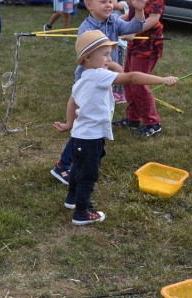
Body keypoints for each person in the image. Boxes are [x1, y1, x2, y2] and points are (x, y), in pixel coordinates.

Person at [53, 30, 177, 225]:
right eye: (104, 55)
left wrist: (69, 124)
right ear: (87, 57)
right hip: (90, 138)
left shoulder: (84, 78)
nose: (108, 59)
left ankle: (72, 199)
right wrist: (162, 80)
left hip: (79, 136)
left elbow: (72, 102)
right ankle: (82, 213)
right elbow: (131, 77)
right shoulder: (98, 75)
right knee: (88, 174)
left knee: (78, 168)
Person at [50, 0, 148, 184]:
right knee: (85, 126)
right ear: (89, 5)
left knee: (93, 123)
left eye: (111, 1)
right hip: (89, 80)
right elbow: (86, 56)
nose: (109, 5)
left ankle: (85, 159)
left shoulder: (113, 21)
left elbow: (134, 28)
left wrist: (139, 11)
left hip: (103, 79)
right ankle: (63, 166)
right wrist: (112, 65)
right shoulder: (86, 28)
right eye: (103, 2)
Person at [116, 0, 167, 137]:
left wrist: (134, 33)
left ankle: (153, 123)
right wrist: (115, 22)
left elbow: (153, 18)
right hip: (135, 43)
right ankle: (133, 118)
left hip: (147, 46)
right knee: (128, 81)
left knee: (139, 83)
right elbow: (131, 14)